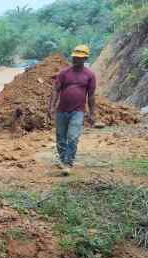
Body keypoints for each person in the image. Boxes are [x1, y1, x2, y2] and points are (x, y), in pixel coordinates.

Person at [49, 44, 97, 175]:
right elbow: (55, 90)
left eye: (79, 58)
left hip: (78, 112)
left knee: (73, 137)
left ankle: (68, 163)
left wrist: (93, 114)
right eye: (75, 57)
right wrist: (51, 107)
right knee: (60, 137)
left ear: (85, 59)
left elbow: (91, 96)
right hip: (61, 111)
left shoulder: (90, 75)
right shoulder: (64, 73)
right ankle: (63, 158)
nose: (76, 59)